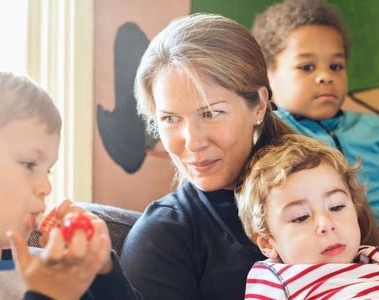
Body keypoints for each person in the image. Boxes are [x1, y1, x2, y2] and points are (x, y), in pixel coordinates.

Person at [120, 13, 294, 300]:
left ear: (259, 106)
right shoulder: (162, 238)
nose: (193, 142)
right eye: (170, 119)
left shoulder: (323, 191)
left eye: (211, 113)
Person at [252, 0, 379, 247]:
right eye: (307, 67)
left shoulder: (375, 129)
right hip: (332, 254)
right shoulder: (271, 134)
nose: (325, 76)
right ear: (268, 77)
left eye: (336, 66)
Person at [0, 68, 141, 299]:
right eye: (29, 164)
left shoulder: (54, 270)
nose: (46, 187)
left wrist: (101, 272)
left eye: (48, 170)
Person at [237, 134, 379, 299]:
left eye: (336, 207)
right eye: (301, 217)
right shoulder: (278, 280)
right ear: (268, 242)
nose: (326, 224)